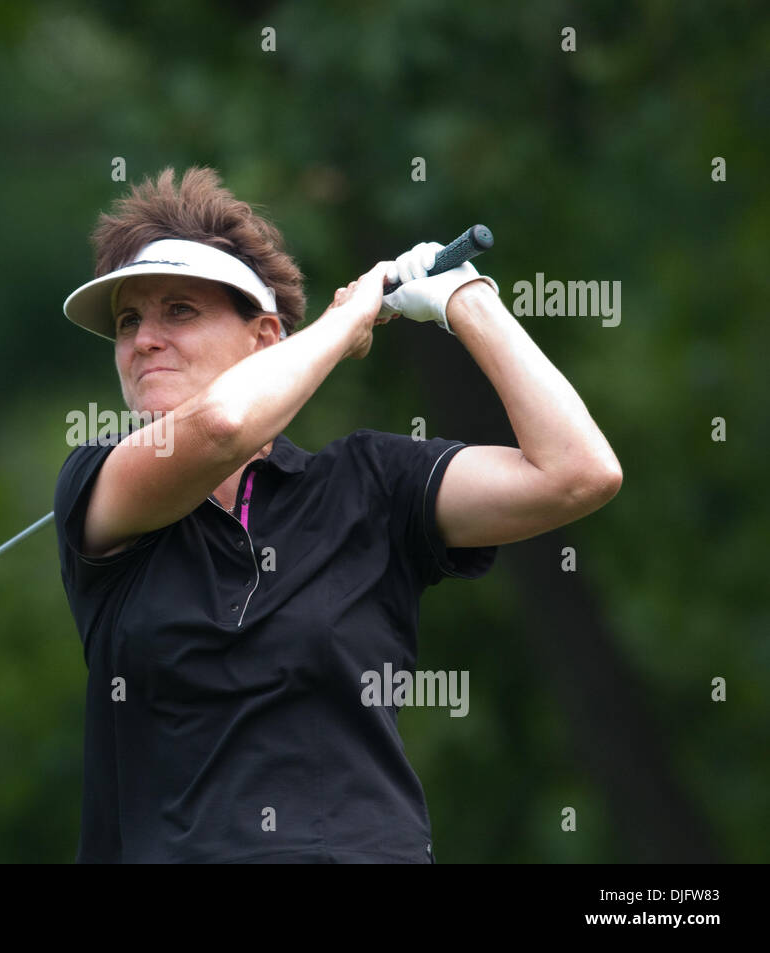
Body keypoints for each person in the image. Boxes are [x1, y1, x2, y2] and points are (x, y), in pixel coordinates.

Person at [54, 166, 622, 863]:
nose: (143, 339)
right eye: (127, 321)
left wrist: (466, 301)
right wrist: (343, 320)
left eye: (179, 310)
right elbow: (225, 424)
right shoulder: (97, 484)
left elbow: (579, 472)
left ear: (264, 336)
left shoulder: (369, 484)